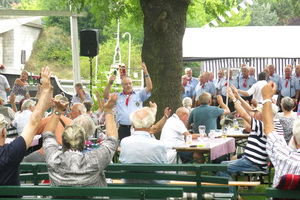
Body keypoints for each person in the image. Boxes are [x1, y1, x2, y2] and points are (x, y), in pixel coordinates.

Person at [43, 93, 119, 187]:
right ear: (83, 142)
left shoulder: (53, 158)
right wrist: (108, 111)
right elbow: (112, 140)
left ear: (62, 141)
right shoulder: (95, 159)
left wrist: (58, 110)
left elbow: (47, 134)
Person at [217, 86, 279, 193]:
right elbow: (250, 111)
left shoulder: (263, 126)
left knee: (222, 167)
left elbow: (245, 114)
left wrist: (234, 98)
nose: (255, 113)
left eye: (258, 111)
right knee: (223, 164)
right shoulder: (271, 124)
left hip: (253, 163)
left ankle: (231, 196)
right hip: (254, 161)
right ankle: (233, 193)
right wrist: (238, 97)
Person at [0, 67, 52, 186]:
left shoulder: (12, 150)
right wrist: (45, 91)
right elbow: (34, 123)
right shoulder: (12, 151)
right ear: (4, 132)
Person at [262, 81, 300, 188]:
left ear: (295, 139)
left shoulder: (283, 155)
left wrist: (267, 98)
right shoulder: (294, 118)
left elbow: (268, 127)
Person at [119, 104, 167, 183]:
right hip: (156, 191)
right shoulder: (159, 145)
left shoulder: (124, 142)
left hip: (130, 189)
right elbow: (165, 170)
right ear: (151, 125)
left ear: (133, 124)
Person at [104, 62, 152, 141]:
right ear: (122, 85)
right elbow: (105, 96)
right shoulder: (117, 96)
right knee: (123, 147)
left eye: (130, 83)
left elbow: (149, 87)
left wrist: (146, 73)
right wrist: (110, 83)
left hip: (137, 128)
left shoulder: (138, 94)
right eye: (126, 84)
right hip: (123, 128)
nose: (128, 85)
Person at [23, 94, 72, 163]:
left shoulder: (48, 119)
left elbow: (31, 130)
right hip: (66, 155)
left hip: (47, 152)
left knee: (23, 163)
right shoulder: (72, 122)